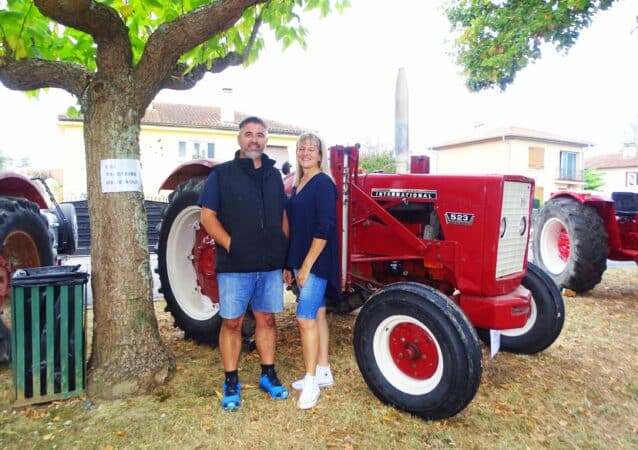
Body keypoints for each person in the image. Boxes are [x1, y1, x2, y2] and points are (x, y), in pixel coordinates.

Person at [198, 116, 289, 411]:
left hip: (269, 264)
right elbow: (207, 216)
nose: (254, 140)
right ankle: (231, 380)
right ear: (239, 138)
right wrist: (230, 244)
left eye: (260, 135)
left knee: (267, 320)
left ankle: (268, 373)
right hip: (236, 264)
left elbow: (282, 217)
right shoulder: (222, 175)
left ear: (266, 140)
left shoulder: (274, 176)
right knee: (232, 322)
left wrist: (282, 251)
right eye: (249, 134)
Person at [284, 132, 339, 410]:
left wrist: (305, 265)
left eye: (311, 149)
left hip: (316, 262)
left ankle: (310, 381)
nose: (306, 152)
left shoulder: (323, 183)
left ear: (320, 155)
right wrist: (290, 264)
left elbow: (325, 227)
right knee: (317, 314)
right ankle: (323, 371)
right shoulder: (298, 183)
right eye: (302, 148)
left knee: (304, 318)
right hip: (300, 259)